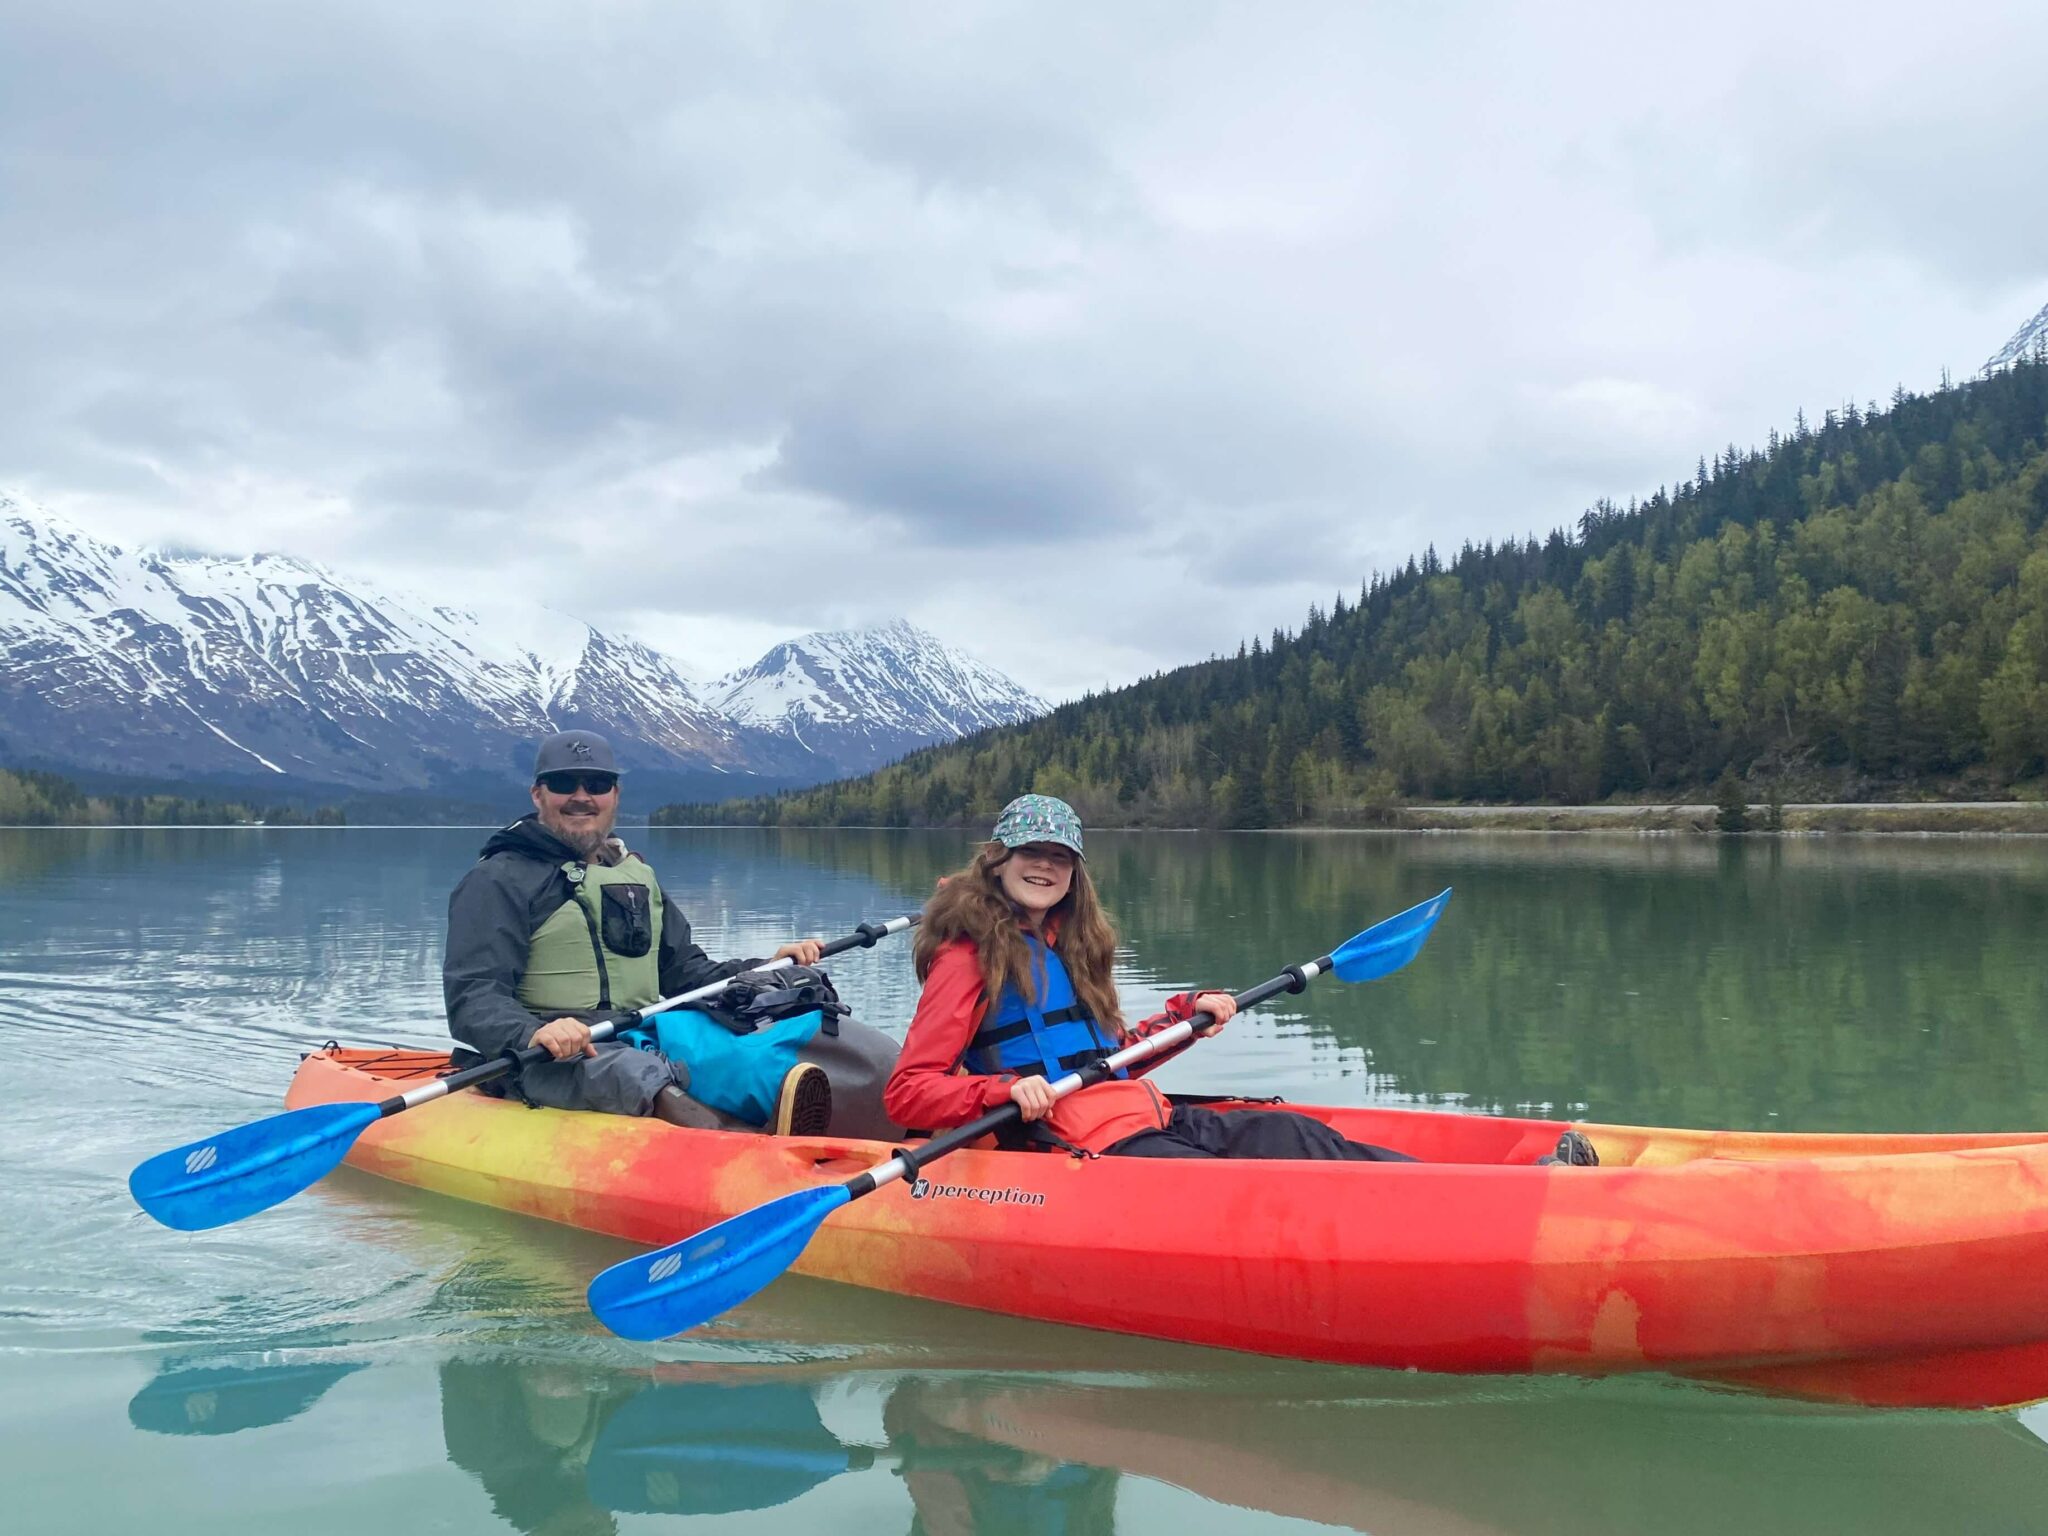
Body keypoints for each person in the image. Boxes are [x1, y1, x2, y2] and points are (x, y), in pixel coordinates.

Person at [885, 794, 1598, 1165]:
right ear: (999, 859)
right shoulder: (966, 954)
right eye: (1030, 854)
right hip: (1071, 1153)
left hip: (1146, 1118)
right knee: (1261, 1178)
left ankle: (1522, 1183)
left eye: (1061, 857)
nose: (1046, 867)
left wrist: (1188, 1016)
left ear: (1076, 872)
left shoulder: (1071, 946)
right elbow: (909, 1090)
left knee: (1297, 1138)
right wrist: (1005, 1089)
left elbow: (1112, 1057)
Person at [443, 729, 832, 1135]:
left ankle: (817, 1129)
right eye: (562, 784)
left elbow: (686, 972)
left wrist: (765, 967)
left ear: (615, 794)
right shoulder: (497, 880)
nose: (581, 796)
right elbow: (472, 996)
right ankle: (746, 1154)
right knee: (638, 1074)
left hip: (641, 1033)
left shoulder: (634, 874)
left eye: (596, 784)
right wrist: (533, 1032)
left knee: (759, 1047)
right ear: (537, 794)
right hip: (548, 1055)